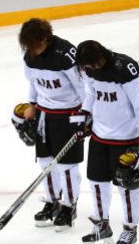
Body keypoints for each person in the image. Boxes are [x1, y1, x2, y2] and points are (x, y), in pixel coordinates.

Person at [75, 40, 139, 244]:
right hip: (100, 136)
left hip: (126, 138)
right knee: (97, 183)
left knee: (127, 186)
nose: (90, 69)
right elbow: (91, 94)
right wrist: (84, 115)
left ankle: (130, 229)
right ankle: (101, 225)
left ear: (101, 56)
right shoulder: (89, 70)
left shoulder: (125, 69)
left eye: (92, 64)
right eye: (86, 66)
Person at [16, 18, 86, 232]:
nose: (30, 50)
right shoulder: (30, 56)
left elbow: (84, 88)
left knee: (66, 165)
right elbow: (34, 83)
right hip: (45, 115)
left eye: (33, 45)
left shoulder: (66, 55)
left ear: (45, 39)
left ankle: (68, 206)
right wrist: (32, 105)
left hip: (69, 114)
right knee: (46, 161)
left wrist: (85, 115)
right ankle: (53, 200)